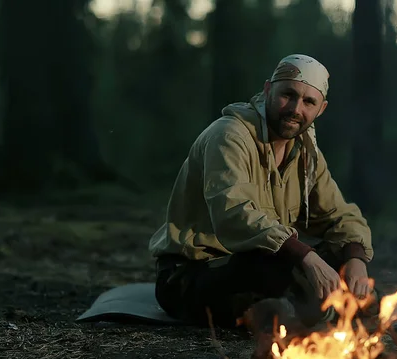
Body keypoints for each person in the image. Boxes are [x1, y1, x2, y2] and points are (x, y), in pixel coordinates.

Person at [148, 54, 374, 329]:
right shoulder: (230, 136)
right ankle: (310, 311)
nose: (295, 108)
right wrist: (305, 257)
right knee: (284, 267)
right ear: (268, 90)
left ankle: (304, 309)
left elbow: (340, 215)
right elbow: (234, 213)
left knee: (339, 263)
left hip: (259, 265)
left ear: (321, 109)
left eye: (308, 102)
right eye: (287, 95)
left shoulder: (305, 152)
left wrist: (354, 259)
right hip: (193, 273)